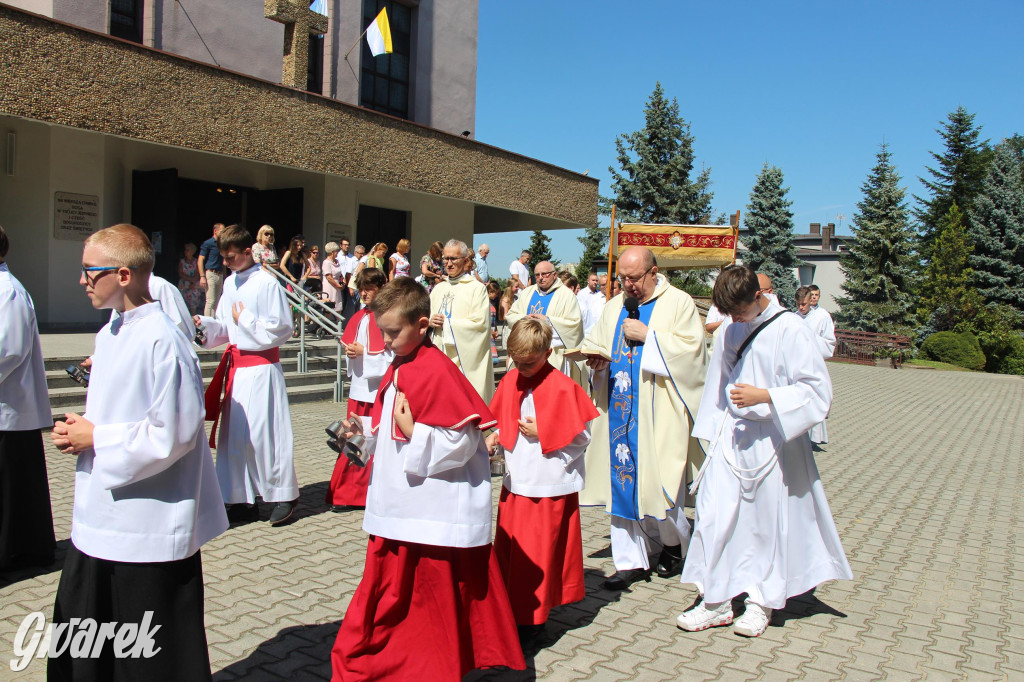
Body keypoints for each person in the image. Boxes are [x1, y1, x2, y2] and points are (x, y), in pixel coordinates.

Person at [50, 223, 227, 680]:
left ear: (124, 275)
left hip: (147, 521)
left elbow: (176, 433)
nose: (82, 280)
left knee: (145, 649)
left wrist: (97, 439)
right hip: (102, 514)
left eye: (91, 271)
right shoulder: (110, 331)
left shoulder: (164, 340)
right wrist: (83, 431)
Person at [329, 277, 525, 680]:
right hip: (401, 506)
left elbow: (465, 442)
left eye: (393, 332)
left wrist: (415, 432)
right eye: (381, 331)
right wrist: (362, 436)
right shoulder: (403, 360)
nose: (384, 341)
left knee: (421, 604)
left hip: (425, 515)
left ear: (422, 326)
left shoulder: (435, 369)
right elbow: (393, 427)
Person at [677, 265, 852, 637]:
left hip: (773, 437)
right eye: (729, 313)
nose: (735, 319)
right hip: (732, 436)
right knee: (713, 515)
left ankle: (761, 602)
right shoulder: (729, 327)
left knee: (765, 523)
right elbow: (718, 382)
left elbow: (817, 392)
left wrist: (766, 396)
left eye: (739, 310)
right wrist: (711, 430)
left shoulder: (792, 329)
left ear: (758, 295)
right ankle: (716, 600)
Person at [580, 246, 708, 590]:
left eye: (634, 278)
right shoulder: (613, 307)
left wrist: (649, 337)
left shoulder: (678, 303)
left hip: (659, 414)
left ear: (653, 272)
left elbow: (694, 354)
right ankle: (629, 561)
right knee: (620, 486)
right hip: (619, 412)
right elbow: (597, 343)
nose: (628, 285)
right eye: (622, 277)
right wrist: (597, 362)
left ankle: (674, 543)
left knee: (661, 488)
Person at [486, 318, 599, 627]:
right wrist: (494, 436)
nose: (521, 368)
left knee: (539, 556)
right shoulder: (512, 379)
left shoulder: (564, 387)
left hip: (548, 486)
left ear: (548, 353)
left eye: (529, 362)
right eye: (516, 361)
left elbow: (582, 436)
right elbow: (500, 418)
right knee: (513, 553)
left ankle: (534, 619)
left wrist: (545, 429)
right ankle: (511, 608)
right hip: (517, 483)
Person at [195, 224, 299, 526]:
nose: (226, 263)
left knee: (265, 435)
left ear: (246, 251)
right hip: (238, 370)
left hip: (263, 368)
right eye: (223, 258)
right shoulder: (230, 284)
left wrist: (248, 319)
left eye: (231, 257)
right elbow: (227, 328)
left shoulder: (267, 282)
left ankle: (283, 495)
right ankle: (240, 498)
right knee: (234, 438)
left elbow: (282, 328)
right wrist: (203, 325)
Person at [0, 224, 56, 571]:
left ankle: (19, 551)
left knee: (12, 488)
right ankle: (21, 548)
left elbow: (8, 349)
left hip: (10, 410)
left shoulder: (9, 291)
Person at [326, 268, 392, 510]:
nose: (363, 293)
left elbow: (394, 356)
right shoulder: (360, 316)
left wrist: (365, 353)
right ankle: (347, 493)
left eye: (369, 289)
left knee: (371, 439)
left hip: (377, 391)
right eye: (361, 288)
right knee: (352, 438)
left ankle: (369, 494)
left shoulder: (388, 316)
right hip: (359, 388)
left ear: (381, 288)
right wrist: (352, 353)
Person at [428, 240, 496, 402]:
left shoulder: (476, 289)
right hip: (439, 356)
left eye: (453, 259)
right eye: (446, 259)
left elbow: (480, 325)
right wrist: (430, 322)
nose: (448, 263)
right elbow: (425, 318)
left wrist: (448, 324)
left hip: (464, 359)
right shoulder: (439, 289)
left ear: (465, 261)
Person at [505, 260, 585, 387]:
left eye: (544, 274)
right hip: (524, 352)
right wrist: (524, 318)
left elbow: (574, 324)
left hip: (551, 354)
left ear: (554, 274)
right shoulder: (527, 292)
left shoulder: (566, 295)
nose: (540, 278)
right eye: (537, 275)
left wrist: (548, 320)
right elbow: (510, 316)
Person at [796, 286, 836, 444]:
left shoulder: (822, 316)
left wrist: (810, 339)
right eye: (798, 304)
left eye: (804, 304)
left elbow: (829, 344)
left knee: (813, 399)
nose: (801, 307)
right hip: (797, 366)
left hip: (813, 365)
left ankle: (813, 439)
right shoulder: (792, 317)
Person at [198, 222, 225, 318]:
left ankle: (214, 322)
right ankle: (207, 324)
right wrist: (202, 276)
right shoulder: (208, 243)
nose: (223, 233)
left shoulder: (222, 244)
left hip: (220, 273)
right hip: (211, 273)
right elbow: (200, 259)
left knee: (217, 301)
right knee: (210, 300)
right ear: (215, 231)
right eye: (222, 231)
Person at [177, 242, 203, 315]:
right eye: (185, 250)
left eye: (187, 250)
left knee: (193, 302)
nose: (185, 252)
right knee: (183, 304)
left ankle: (193, 320)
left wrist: (193, 282)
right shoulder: (182, 261)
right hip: (184, 284)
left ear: (192, 252)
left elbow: (197, 274)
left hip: (193, 284)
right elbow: (180, 273)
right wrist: (190, 280)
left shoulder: (196, 261)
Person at [321, 242, 345, 313]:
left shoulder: (337, 261)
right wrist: (338, 286)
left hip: (337, 287)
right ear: (332, 252)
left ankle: (338, 323)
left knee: (338, 307)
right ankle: (327, 323)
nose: (337, 252)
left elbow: (340, 274)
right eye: (336, 251)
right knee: (329, 309)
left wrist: (342, 282)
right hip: (330, 287)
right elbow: (329, 277)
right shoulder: (326, 262)